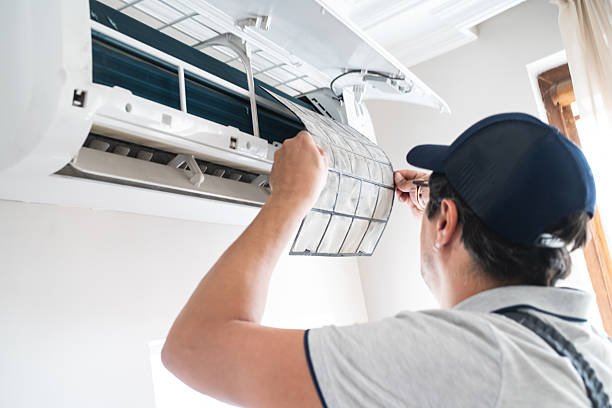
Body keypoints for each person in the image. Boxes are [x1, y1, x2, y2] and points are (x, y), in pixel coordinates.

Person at [161, 113, 612, 407]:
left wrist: (290, 197)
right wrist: (442, 220)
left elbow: (193, 348)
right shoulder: (591, 354)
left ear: (445, 221)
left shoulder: (463, 356)